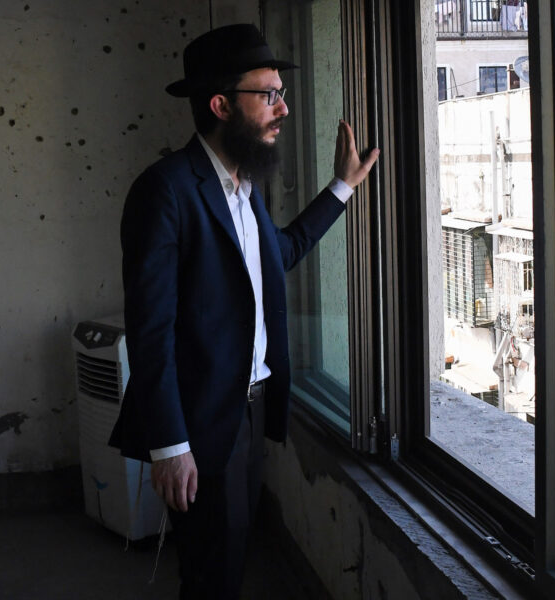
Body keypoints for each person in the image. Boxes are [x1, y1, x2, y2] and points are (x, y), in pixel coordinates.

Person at [108, 23, 379, 598]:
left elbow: (277, 253)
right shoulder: (166, 190)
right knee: (211, 574)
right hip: (201, 419)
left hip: (248, 412)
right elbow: (149, 332)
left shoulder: (244, 185)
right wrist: (170, 448)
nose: (283, 107)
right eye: (269, 95)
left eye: (282, 92)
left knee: (229, 560)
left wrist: (341, 188)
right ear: (220, 104)